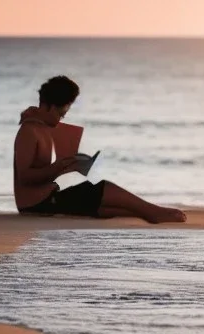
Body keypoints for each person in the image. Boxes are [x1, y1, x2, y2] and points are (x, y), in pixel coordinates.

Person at [13, 75, 187, 223]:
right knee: (101, 188)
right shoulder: (29, 132)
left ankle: (145, 213)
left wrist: (68, 167)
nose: (61, 120)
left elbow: (41, 173)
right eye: (60, 114)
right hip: (39, 204)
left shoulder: (40, 126)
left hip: (46, 199)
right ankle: (154, 212)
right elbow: (25, 177)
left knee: (104, 207)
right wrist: (58, 166)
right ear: (48, 106)